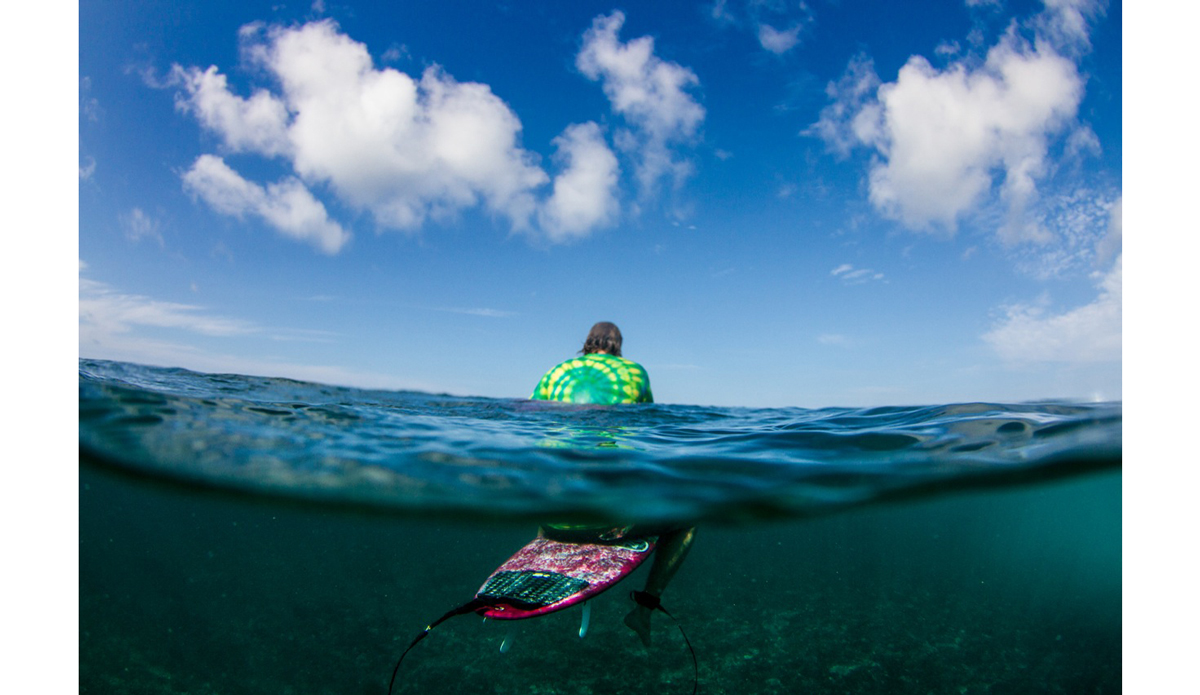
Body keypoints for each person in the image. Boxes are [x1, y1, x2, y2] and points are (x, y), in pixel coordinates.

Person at [531, 321, 695, 647]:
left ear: (588, 342)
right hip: (609, 522)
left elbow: (531, 427)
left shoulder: (554, 372)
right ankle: (645, 607)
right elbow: (647, 430)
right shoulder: (635, 372)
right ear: (618, 345)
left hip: (552, 519)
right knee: (689, 517)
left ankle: (545, 538)